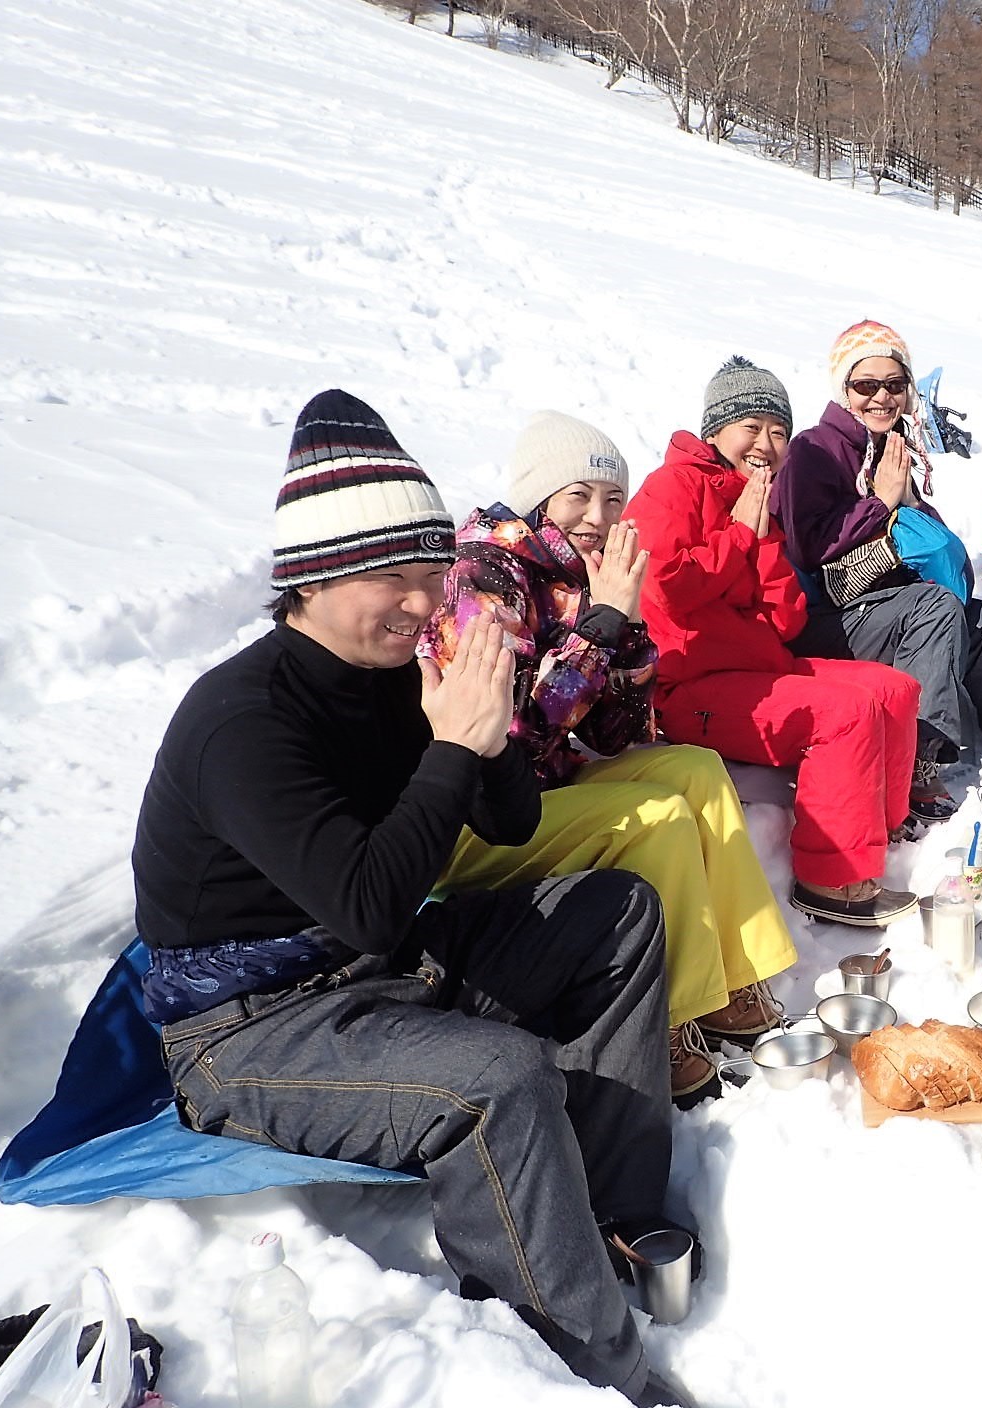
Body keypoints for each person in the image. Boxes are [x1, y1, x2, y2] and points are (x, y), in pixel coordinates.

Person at [130, 390, 689, 1405]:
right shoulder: (243, 720)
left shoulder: (404, 669)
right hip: (252, 1030)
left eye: (433, 576)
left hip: (379, 971)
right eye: (389, 577)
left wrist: (495, 725)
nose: (422, 602)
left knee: (618, 913)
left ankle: (606, 1221)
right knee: (499, 1079)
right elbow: (371, 903)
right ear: (309, 581)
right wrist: (448, 747)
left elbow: (510, 823)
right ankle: (584, 1363)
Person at [420, 410, 800, 1103]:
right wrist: (601, 627)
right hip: (474, 816)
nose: (596, 516)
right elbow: (509, 739)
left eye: (612, 500)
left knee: (693, 770)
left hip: (547, 787)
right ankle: (669, 1017)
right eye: (578, 497)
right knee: (652, 813)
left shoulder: (577, 571)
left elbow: (617, 736)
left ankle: (731, 983)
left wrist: (622, 638)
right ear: (538, 497)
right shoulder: (483, 577)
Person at [625, 356, 920, 927]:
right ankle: (830, 879)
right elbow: (666, 588)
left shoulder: (756, 501)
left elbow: (785, 617)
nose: (766, 443)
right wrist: (738, 533)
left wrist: (758, 540)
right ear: (715, 430)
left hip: (760, 673)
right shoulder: (672, 488)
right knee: (847, 712)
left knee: (894, 689)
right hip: (690, 688)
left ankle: (877, 839)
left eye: (779, 432)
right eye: (751, 428)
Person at [771, 320, 982, 816]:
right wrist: (880, 502)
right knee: (937, 607)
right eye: (865, 386)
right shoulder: (815, 449)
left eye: (894, 385)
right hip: (824, 615)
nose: (881, 397)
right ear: (843, 388)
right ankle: (915, 759)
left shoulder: (892, 445)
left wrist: (908, 511)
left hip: (881, 604)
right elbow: (809, 546)